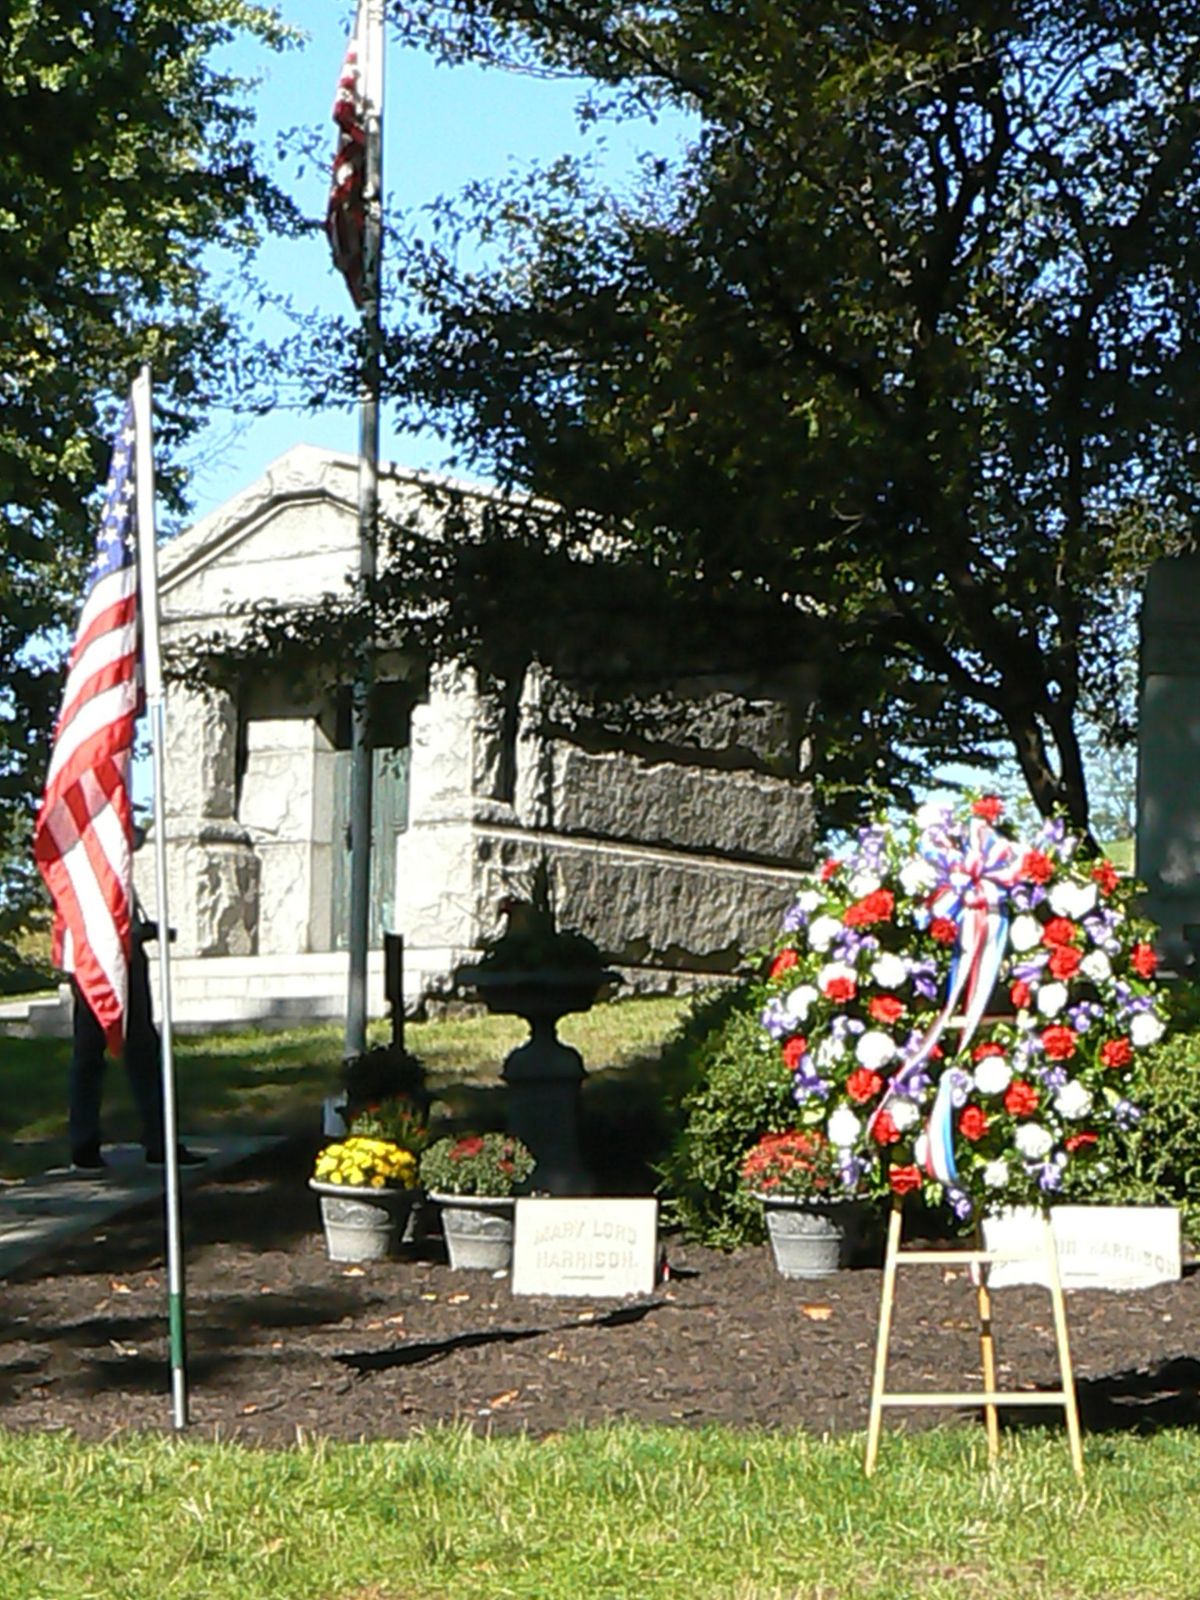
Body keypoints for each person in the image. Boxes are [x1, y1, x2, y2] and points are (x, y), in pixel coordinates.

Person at [69, 906, 204, 1171]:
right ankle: (87, 1145)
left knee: (135, 1049)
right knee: (96, 1051)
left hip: (115, 953)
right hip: (93, 956)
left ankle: (157, 1140)